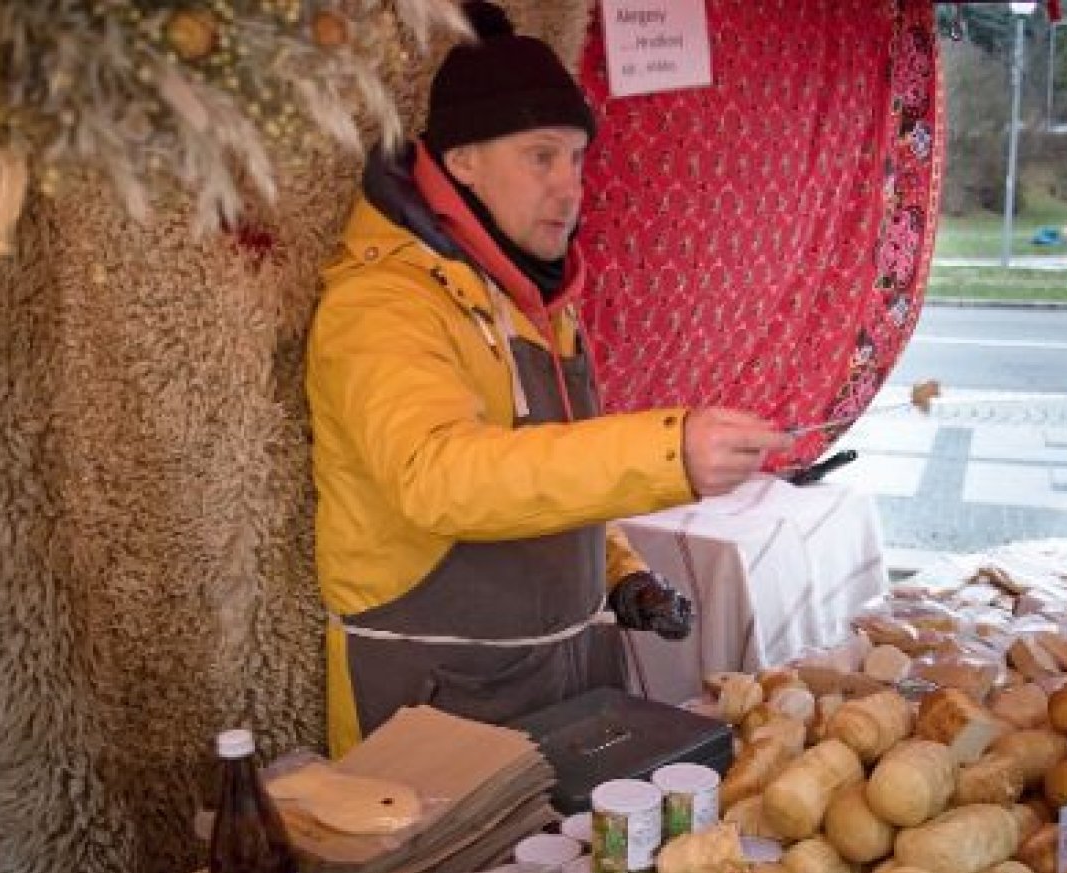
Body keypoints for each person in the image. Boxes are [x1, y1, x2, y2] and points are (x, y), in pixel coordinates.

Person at [306, 3, 780, 754]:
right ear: (462, 160)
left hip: (565, 673)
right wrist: (669, 452)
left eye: (577, 158)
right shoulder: (383, 302)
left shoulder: (534, 299)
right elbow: (437, 476)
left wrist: (620, 573)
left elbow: (552, 467)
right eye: (540, 157)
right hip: (437, 693)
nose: (570, 187)